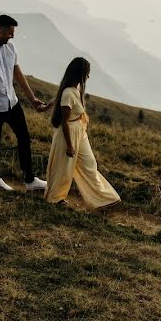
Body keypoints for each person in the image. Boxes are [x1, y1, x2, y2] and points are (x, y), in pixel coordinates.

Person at [0, 14, 49, 192]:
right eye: (10, 33)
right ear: (0, 31)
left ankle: (30, 180)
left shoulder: (10, 47)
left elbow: (18, 73)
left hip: (12, 103)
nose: (12, 36)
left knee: (24, 138)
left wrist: (32, 98)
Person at [44, 57, 121, 209]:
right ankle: (56, 198)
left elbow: (61, 98)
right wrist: (69, 146)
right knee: (64, 169)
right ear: (79, 73)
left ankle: (103, 199)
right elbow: (65, 121)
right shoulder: (68, 93)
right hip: (68, 134)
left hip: (80, 132)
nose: (88, 76)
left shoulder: (74, 90)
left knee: (90, 163)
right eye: (87, 72)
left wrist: (48, 105)